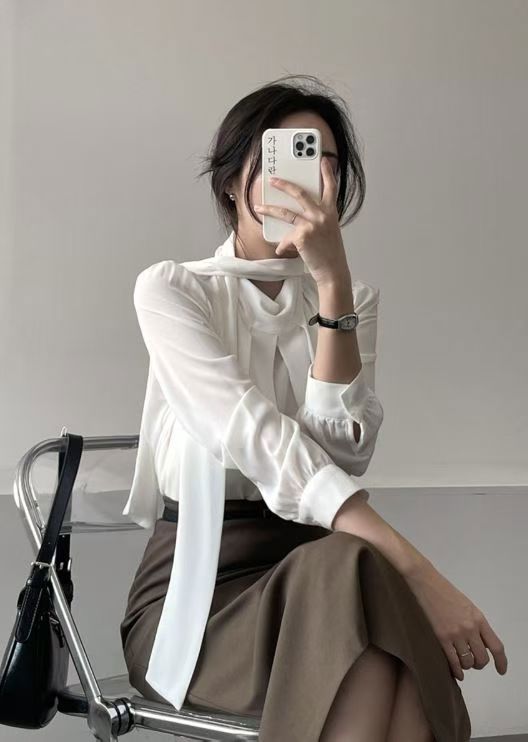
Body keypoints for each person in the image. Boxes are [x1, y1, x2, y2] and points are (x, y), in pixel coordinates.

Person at [120, 74, 507, 742]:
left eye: (326, 161)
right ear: (231, 182)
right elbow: (260, 440)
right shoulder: (174, 291)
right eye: (288, 157)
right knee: (362, 579)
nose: (310, 178)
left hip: (328, 585)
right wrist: (421, 573)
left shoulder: (351, 297)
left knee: (367, 623)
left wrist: (331, 283)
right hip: (200, 602)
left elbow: (343, 452)